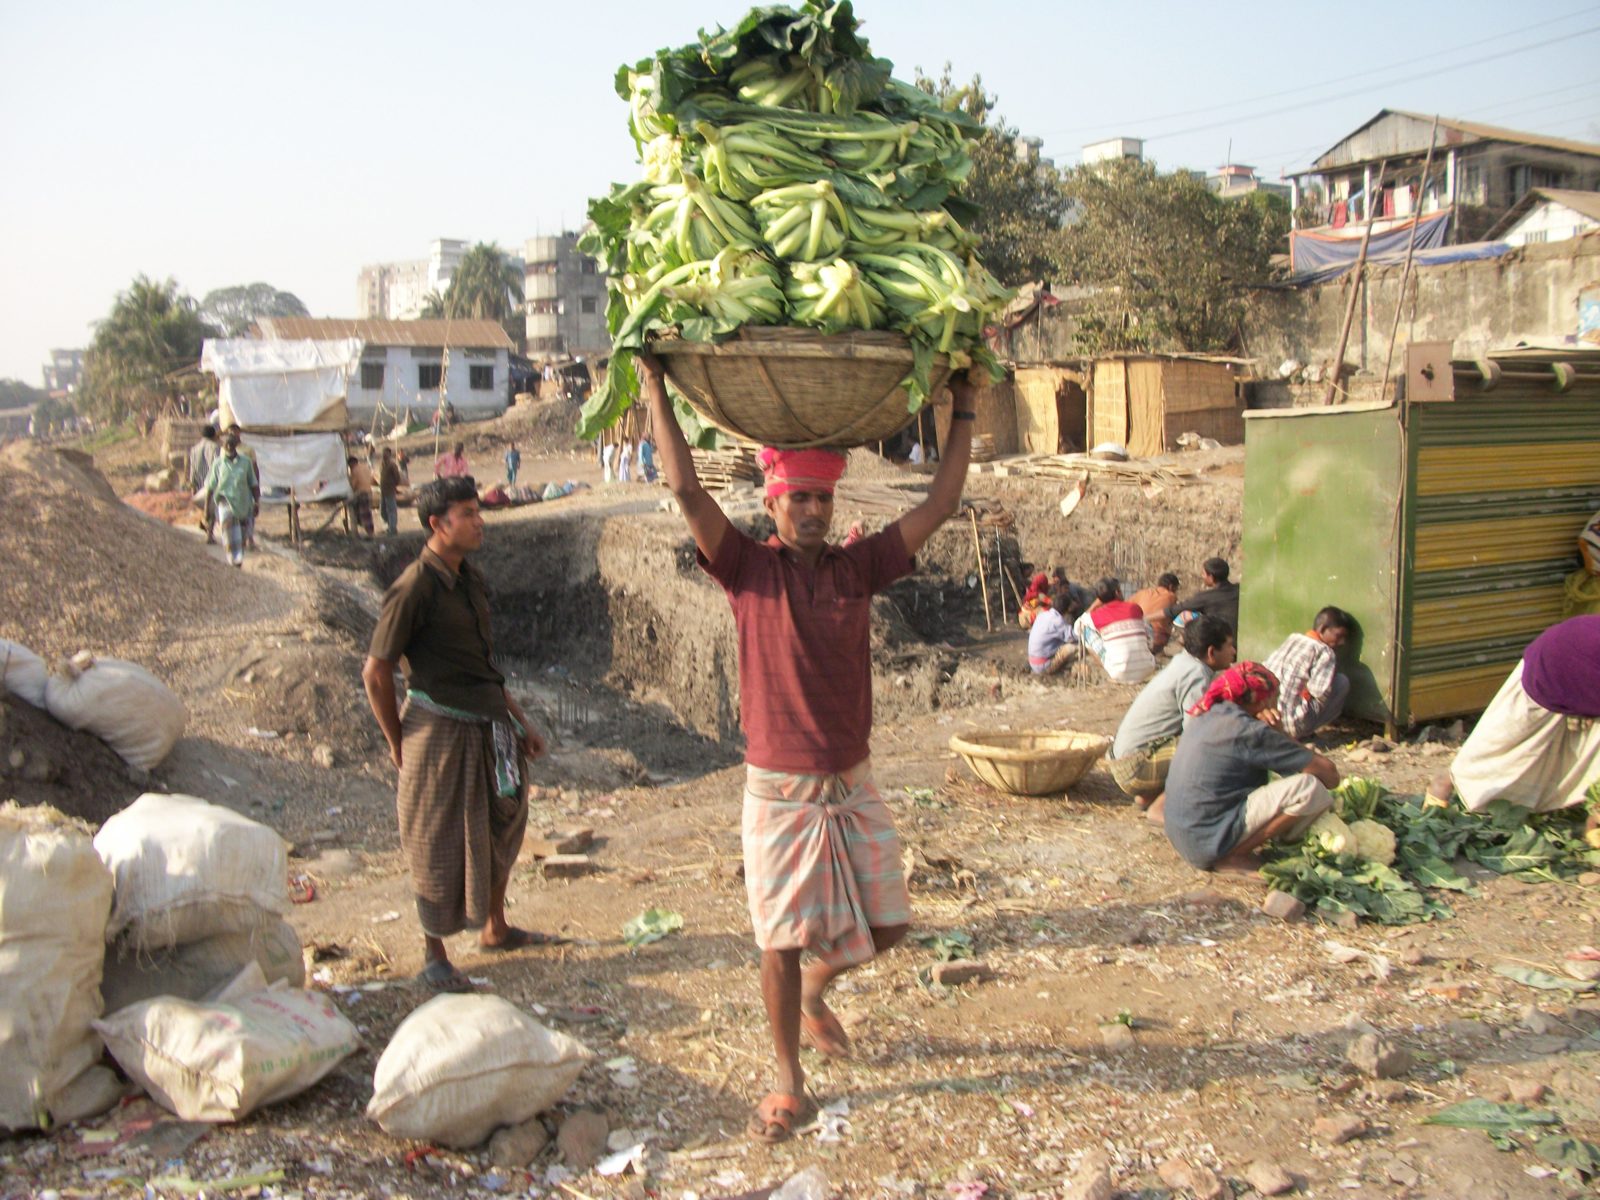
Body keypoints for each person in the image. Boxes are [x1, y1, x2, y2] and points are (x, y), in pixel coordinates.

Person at [638, 349, 981, 1144]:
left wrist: (963, 407)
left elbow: (943, 499)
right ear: (773, 502)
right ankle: (788, 1078)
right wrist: (654, 387)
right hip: (780, 791)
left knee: (891, 926)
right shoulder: (745, 569)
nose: (814, 512)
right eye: (800, 499)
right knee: (779, 941)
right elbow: (686, 489)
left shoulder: (860, 568)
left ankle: (819, 991)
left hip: (850, 781)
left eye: (823, 498)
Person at [361, 477, 553, 993]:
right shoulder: (414, 588)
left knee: (504, 821)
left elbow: (483, 664)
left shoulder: (468, 578)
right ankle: (434, 952)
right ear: (436, 525)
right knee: (437, 839)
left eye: (476, 511)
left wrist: (518, 721)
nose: (478, 520)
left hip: (490, 723)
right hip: (438, 727)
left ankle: (495, 925)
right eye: (467, 513)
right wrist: (397, 742)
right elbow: (376, 673)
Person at [1161, 663, 1341, 872]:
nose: (1278, 705)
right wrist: (1280, 732)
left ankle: (1234, 846)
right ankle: (1235, 856)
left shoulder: (1207, 713)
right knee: (1310, 789)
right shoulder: (1250, 731)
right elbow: (1330, 776)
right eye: (1276, 698)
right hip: (1206, 843)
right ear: (1262, 701)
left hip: (1183, 836)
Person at [1428, 616, 1600, 833]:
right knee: (1507, 744)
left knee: (1575, 751)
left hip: (1580, 664)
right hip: (1555, 664)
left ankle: (1560, 807)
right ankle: (1446, 781)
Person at [1106, 615, 1236, 808]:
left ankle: (1151, 796)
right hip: (1134, 767)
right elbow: (1196, 730)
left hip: (1126, 762)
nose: (1234, 652)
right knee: (1211, 744)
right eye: (1229, 646)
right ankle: (1164, 805)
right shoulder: (1196, 674)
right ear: (1211, 652)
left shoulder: (1183, 663)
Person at [1263, 606, 1355, 740]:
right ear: (1323, 629)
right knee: (1341, 682)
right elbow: (1320, 693)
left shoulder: (1293, 638)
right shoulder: (1325, 652)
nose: (1342, 642)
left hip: (1268, 719)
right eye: (1338, 636)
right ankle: (1303, 732)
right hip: (1291, 725)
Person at [1074, 577, 1158, 684]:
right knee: (1143, 623)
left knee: (1084, 630)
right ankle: (1144, 655)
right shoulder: (1134, 608)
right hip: (1147, 668)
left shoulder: (1096, 616)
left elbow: (1077, 626)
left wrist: (1096, 604)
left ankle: (1110, 666)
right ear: (1117, 592)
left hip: (1118, 672)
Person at [204, 428, 259, 567]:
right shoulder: (218, 464)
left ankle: (238, 560)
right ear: (223, 446)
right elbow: (210, 487)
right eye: (226, 443)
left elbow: (253, 483)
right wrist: (206, 508)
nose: (228, 445)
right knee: (228, 533)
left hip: (243, 503)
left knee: (241, 536)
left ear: (235, 445)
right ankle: (233, 561)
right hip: (225, 503)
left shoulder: (245, 462)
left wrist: (256, 502)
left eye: (231, 443)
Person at [1166, 557, 1240, 634]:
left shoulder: (1207, 597)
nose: (1202, 576)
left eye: (1203, 574)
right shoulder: (1239, 589)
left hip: (1223, 638)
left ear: (1211, 578)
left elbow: (1176, 609)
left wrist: (1152, 616)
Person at [1128, 572, 1180, 653]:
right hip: (1156, 639)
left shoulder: (1143, 592)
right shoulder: (1171, 596)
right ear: (1171, 587)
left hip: (1134, 633)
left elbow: (1127, 606)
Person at [1026, 596, 1077, 675]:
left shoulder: (1043, 614)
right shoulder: (1057, 621)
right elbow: (1073, 637)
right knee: (1073, 647)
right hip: (1043, 666)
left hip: (1033, 662)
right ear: (1067, 609)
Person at [188, 424, 220, 544]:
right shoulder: (216, 448)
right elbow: (218, 466)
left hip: (200, 482)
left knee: (207, 508)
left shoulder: (194, 449)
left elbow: (192, 468)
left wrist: (193, 485)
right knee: (212, 507)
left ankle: (205, 525)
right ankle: (209, 534)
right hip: (211, 482)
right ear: (213, 435)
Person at [347, 455, 376, 537]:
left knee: (364, 514)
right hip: (369, 491)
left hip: (361, 493)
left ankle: (369, 533)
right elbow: (371, 479)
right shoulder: (365, 467)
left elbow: (353, 484)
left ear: (352, 463)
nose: (350, 467)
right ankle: (370, 531)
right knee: (367, 513)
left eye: (350, 466)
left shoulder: (355, 470)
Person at [379, 447, 402, 536]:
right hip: (383, 491)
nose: (384, 455)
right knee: (383, 510)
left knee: (391, 510)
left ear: (389, 454)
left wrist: (393, 486)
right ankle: (388, 526)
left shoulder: (392, 465)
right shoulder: (382, 464)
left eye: (386, 453)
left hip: (390, 490)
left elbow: (397, 477)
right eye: (383, 453)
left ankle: (393, 529)